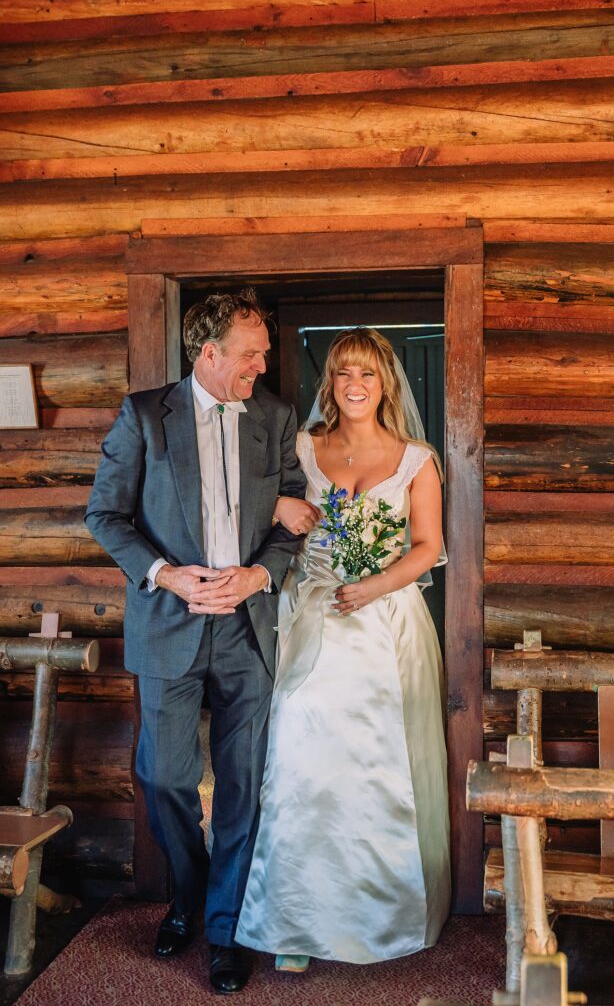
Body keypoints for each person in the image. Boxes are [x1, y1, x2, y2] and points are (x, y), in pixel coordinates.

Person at [85, 289, 310, 995]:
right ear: (209, 353)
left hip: (247, 629)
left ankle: (224, 929)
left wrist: (259, 575)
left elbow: (293, 519)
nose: (261, 366)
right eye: (250, 354)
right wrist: (166, 575)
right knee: (163, 776)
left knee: (243, 786)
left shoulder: (274, 417)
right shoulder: (144, 416)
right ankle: (189, 893)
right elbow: (104, 515)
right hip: (168, 623)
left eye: (262, 354)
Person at [236, 327, 451, 970]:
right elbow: (256, 505)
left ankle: (385, 915)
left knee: (383, 761)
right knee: (300, 753)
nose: (355, 385)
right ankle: (294, 920)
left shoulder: (416, 460)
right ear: (330, 384)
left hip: (387, 621)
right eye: (342, 374)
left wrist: (375, 586)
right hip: (313, 615)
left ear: (386, 383)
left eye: (366, 374)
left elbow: (428, 547)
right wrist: (281, 506)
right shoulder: (304, 447)